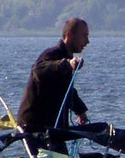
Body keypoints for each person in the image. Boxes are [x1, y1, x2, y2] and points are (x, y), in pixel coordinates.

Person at [16, 17, 90, 150]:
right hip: (34, 128)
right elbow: (38, 71)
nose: (87, 41)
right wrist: (66, 64)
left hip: (52, 129)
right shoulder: (51, 54)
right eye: (84, 36)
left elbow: (66, 91)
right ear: (69, 35)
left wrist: (81, 112)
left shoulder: (67, 57)